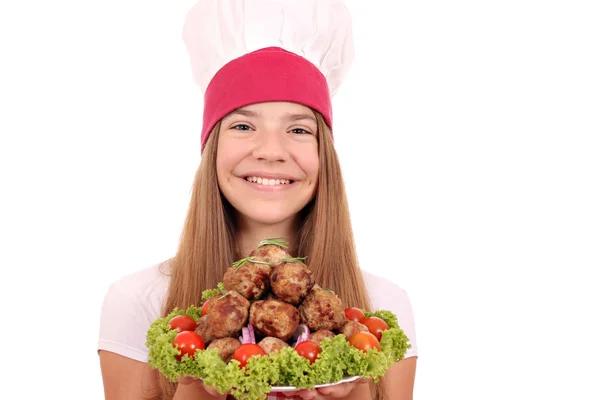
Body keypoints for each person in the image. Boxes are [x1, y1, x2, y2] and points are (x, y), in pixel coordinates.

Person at [97, 0, 418, 399]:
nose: (271, 150)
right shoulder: (138, 301)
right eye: (244, 125)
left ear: (324, 157)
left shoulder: (382, 308)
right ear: (212, 148)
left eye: (299, 130)